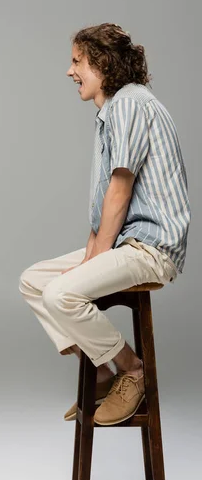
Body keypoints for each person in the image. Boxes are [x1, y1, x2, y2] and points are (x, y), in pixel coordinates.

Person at [20, 23, 190, 426]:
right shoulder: (109, 113)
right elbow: (102, 211)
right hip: (124, 245)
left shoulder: (131, 103)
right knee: (33, 282)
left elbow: (121, 188)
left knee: (62, 293)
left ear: (102, 63)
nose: (69, 71)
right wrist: (90, 261)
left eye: (77, 61)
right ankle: (97, 373)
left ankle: (132, 370)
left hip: (151, 247)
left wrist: (90, 265)